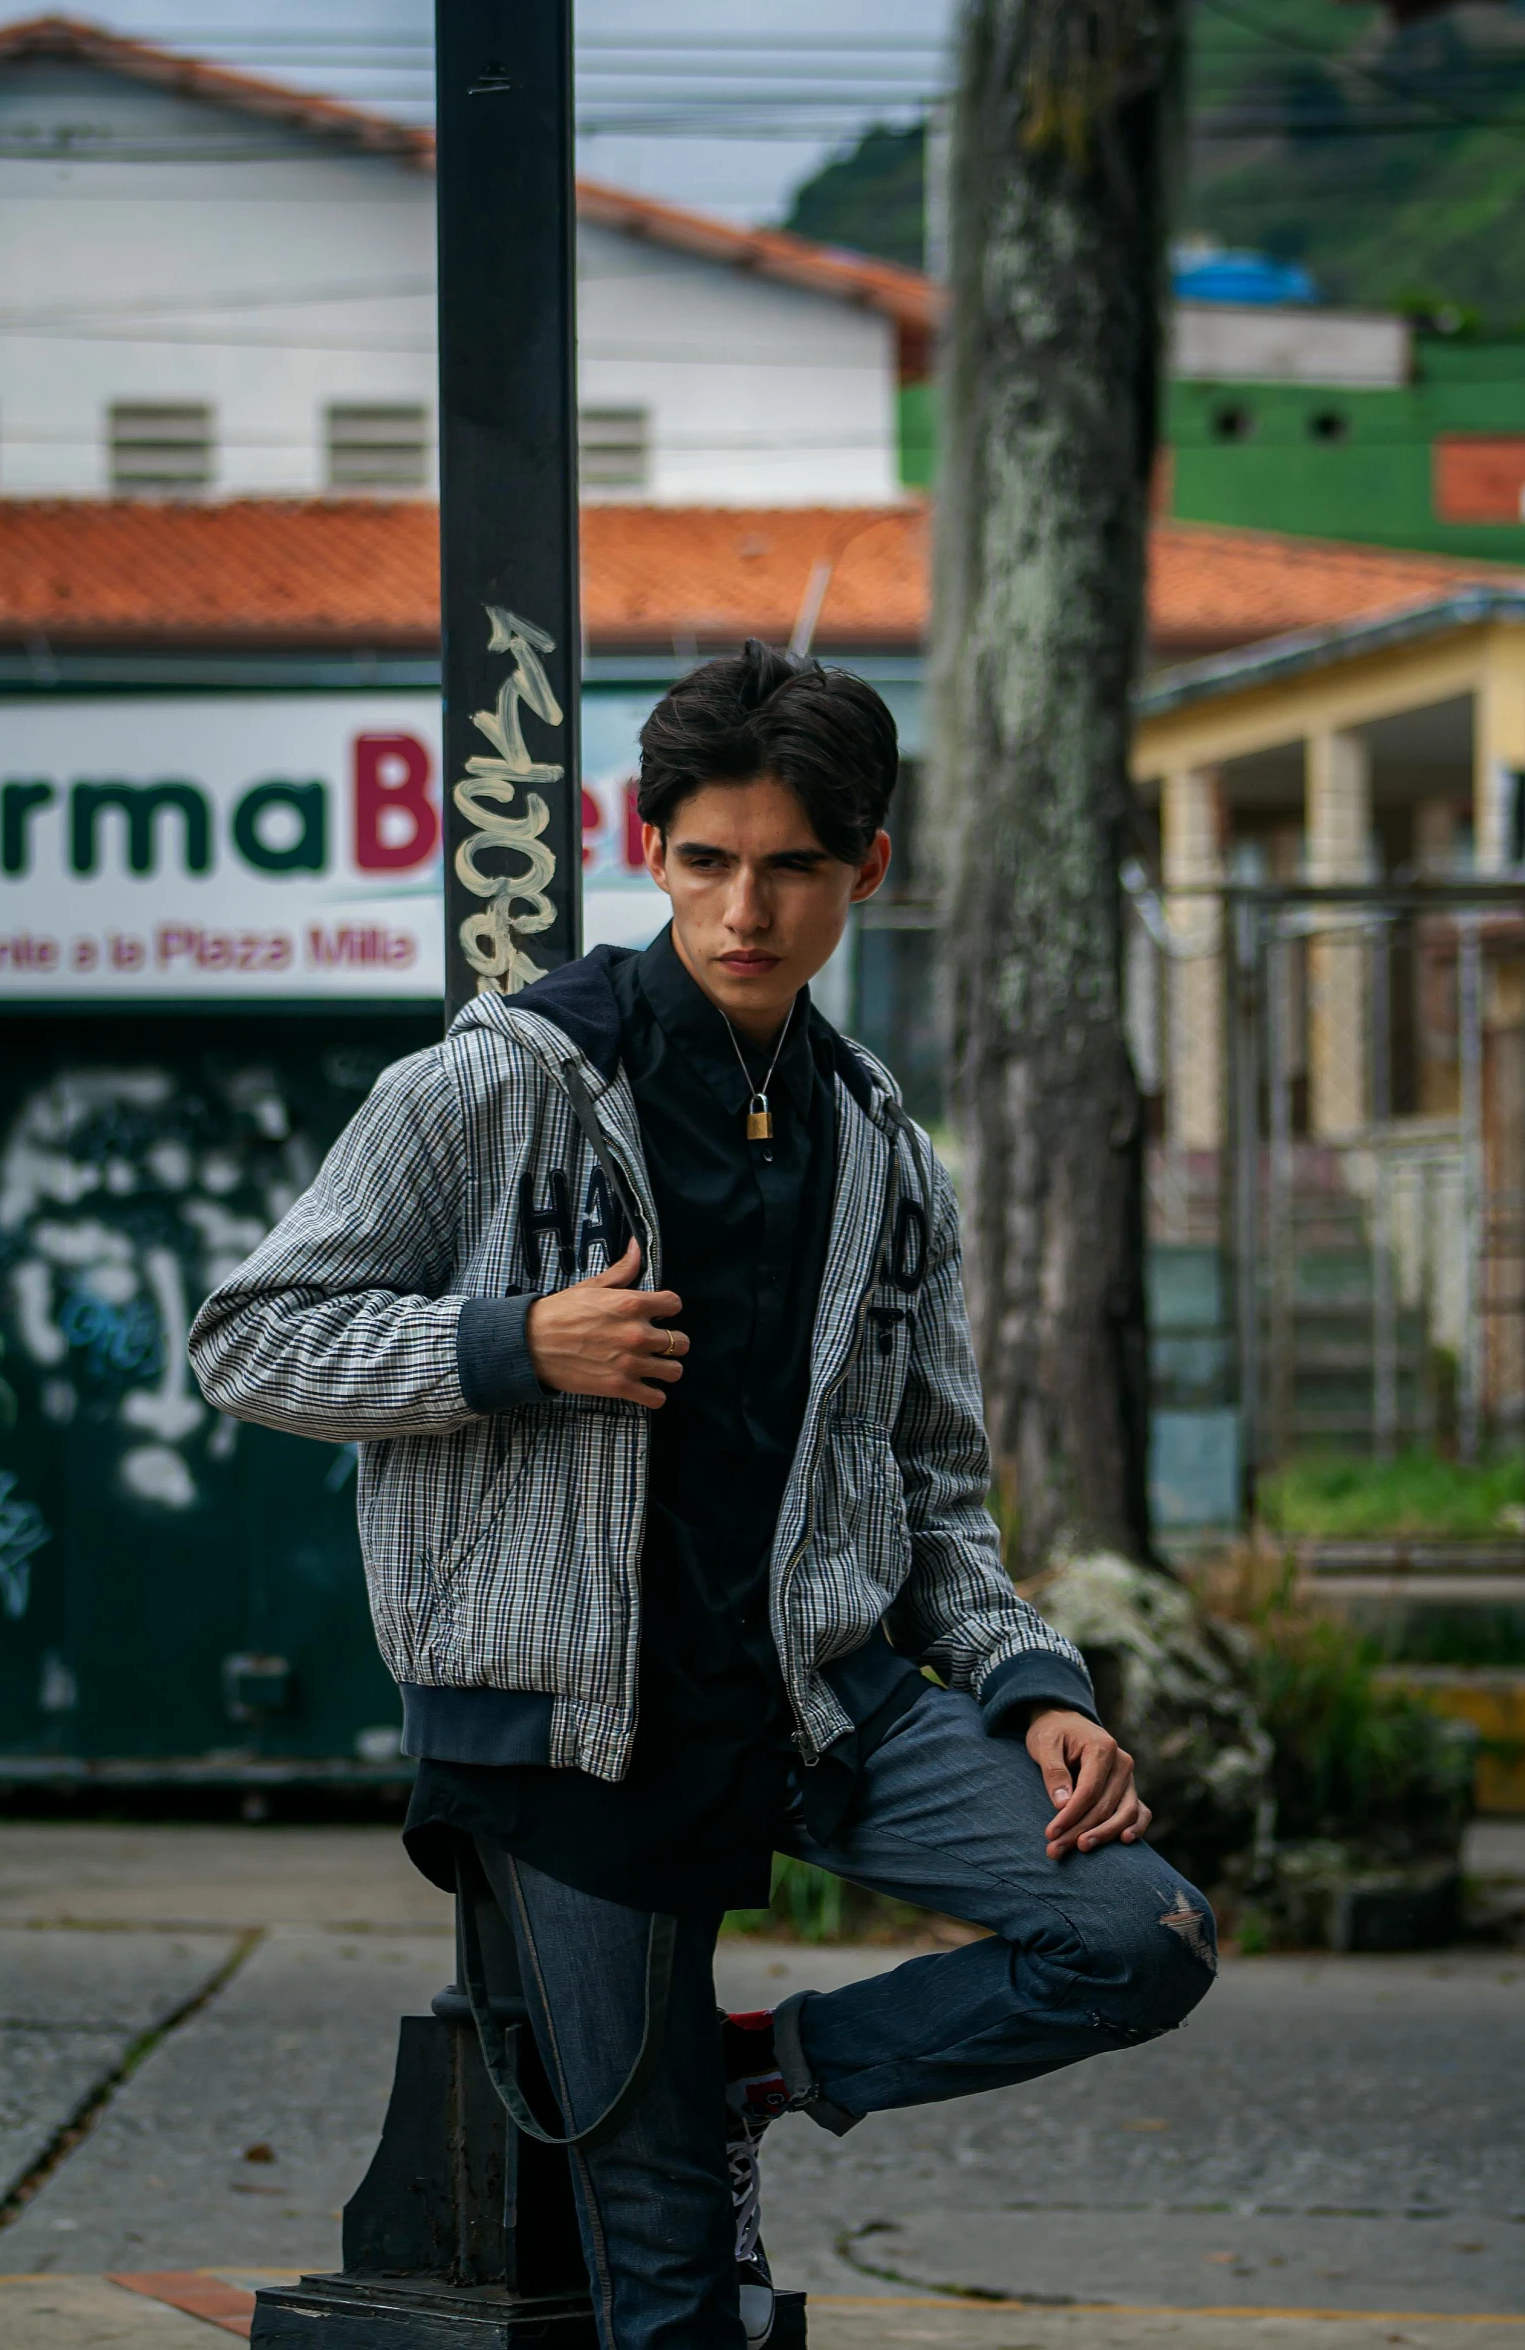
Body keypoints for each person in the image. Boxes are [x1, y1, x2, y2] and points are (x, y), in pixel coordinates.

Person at [190, 641, 1216, 2350]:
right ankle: (685, 2122)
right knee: (663, 2281)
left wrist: (1034, 1685)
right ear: (645, 845)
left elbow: (935, 1484)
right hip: (576, 1733)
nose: (748, 905)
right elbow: (253, 1339)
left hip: (823, 1701)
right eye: (707, 859)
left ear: (865, 869)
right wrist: (517, 1342)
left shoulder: (882, 1143)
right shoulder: (498, 1082)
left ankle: (767, 2071)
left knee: (1139, 1927)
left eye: (795, 865)